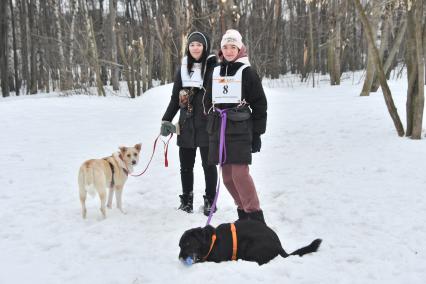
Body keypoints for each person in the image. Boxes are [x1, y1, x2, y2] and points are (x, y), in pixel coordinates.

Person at [205, 29, 267, 223]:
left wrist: (257, 134)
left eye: (233, 47)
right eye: (225, 47)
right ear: (221, 49)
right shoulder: (215, 70)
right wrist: (210, 115)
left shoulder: (247, 72)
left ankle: (254, 216)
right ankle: (243, 213)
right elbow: (207, 99)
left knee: (240, 174)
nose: (229, 51)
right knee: (227, 178)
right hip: (221, 129)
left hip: (240, 129)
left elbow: (259, 103)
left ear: (240, 48)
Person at [161, 31, 218, 216]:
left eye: (199, 45)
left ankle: (210, 201)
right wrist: (166, 119)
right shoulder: (182, 69)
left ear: (205, 47)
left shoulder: (213, 68)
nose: (195, 48)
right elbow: (174, 99)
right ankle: (186, 200)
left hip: (206, 125)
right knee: (185, 166)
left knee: (208, 166)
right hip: (186, 125)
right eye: (192, 44)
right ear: (188, 47)